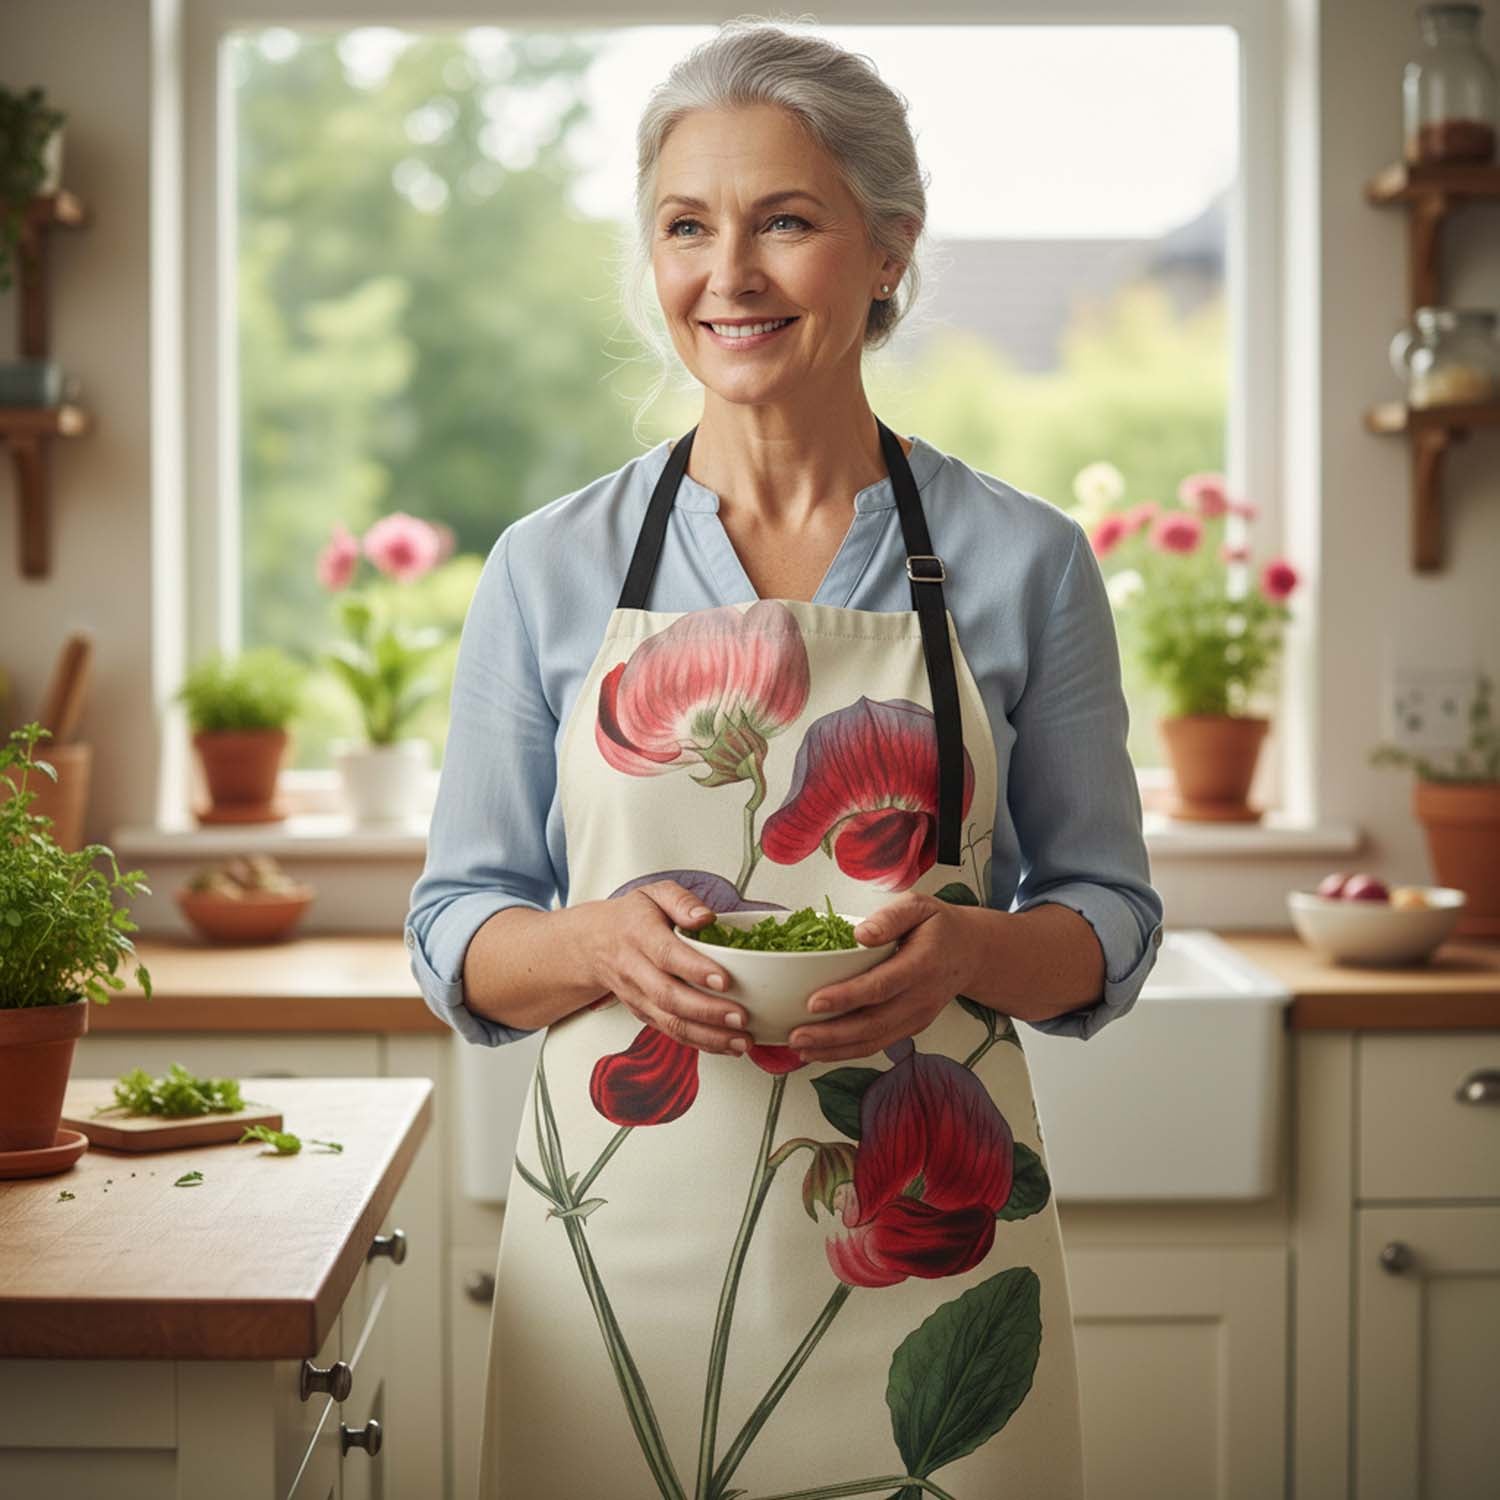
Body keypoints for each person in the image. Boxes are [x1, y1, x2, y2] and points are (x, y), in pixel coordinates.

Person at [406, 18, 1165, 1497]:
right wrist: (597, 944)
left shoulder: (1026, 563)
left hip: (927, 1242)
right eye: (687, 227)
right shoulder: (547, 569)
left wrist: (967, 953)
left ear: (889, 251)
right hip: (618, 1255)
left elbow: (1107, 920)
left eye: (786, 222)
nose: (728, 277)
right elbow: (457, 930)